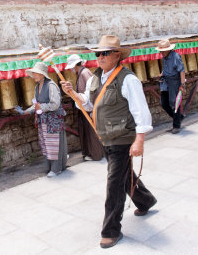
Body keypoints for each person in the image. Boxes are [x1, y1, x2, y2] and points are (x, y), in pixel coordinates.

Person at [60, 35, 157, 248]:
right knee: (124, 176)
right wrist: (73, 94)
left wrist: (139, 140)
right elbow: (87, 104)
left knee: (114, 184)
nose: (100, 57)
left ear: (116, 55)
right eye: (98, 53)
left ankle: (111, 230)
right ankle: (146, 200)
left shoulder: (127, 79)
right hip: (105, 137)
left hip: (123, 139)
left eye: (105, 53)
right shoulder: (96, 78)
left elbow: (140, 111)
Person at [15, 62, 68, 177]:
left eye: (36, 73)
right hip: (43, 120)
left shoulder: (51, 86)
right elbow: (36, 104)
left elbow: (55, 104)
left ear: (43, 74)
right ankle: (50, 167)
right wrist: (26, 111)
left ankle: (56, 168)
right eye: (33, 73)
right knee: (46, 144)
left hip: (53, 120)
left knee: (54, 144)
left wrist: (42, 107)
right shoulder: (37, 87)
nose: (33, 75)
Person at [65, 54, 103, 161]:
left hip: (88, 106)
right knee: (87, 131)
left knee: (91, 132)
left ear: (74, 65)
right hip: (83, 106)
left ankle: (96, 154)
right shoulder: (81, 73)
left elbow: (91, 91)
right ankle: (91, 153)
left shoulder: (84, 73)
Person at [155, 39, 186, 134]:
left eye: (163, 51)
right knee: (164, 103)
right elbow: (166, 68)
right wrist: (161, 74)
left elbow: (182, 70)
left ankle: (176, 125)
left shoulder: (175, 56)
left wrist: (182, 85)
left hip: (174, 82)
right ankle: (179, 117)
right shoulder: (164, 57)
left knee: (174, 104)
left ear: (168, 50)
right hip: (166, 81)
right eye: (161, 51)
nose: (161, 53)